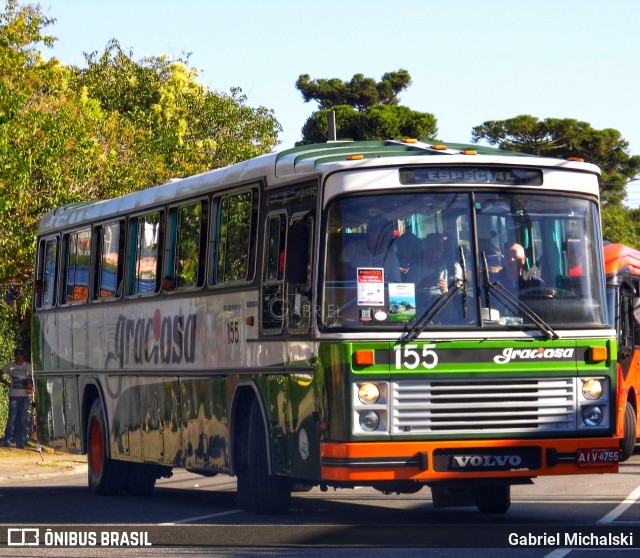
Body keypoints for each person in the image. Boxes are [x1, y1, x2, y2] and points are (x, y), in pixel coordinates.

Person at [1, 348, 33, 449]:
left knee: (22, 419)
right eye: (17, 355)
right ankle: (7, 440)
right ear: (14, 356)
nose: (19, 357)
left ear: (23, 356)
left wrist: (31, 389)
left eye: (20, 355)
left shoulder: (28, 366)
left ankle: (20, 441)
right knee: (12, 418)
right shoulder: (10, 366)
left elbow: (33, 379)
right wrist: (7, 383)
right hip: (13, 396)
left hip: (24, 397)